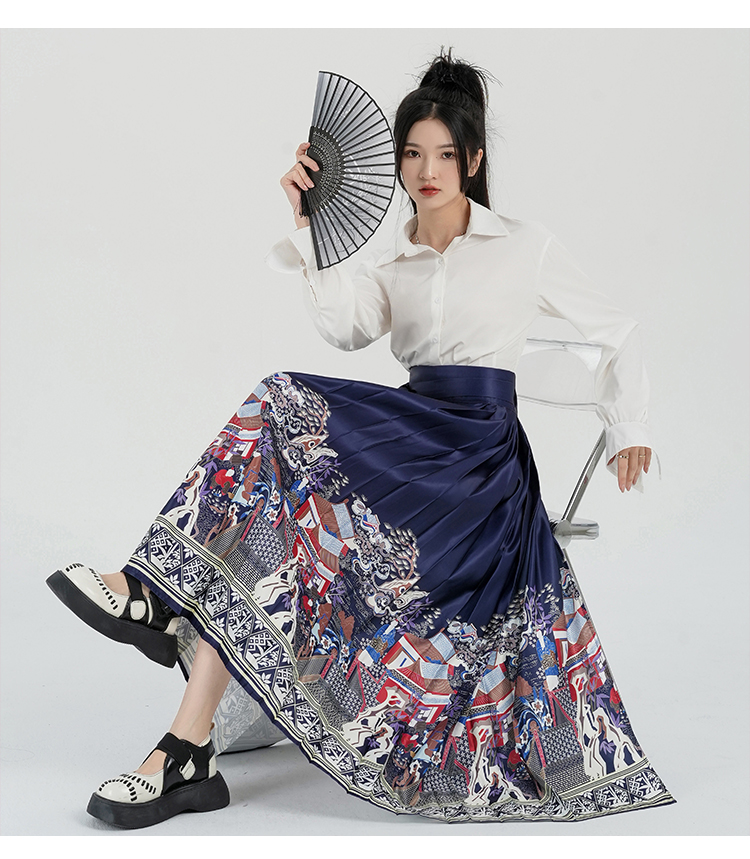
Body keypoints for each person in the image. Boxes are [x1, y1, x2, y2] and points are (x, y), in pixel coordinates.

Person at [47, 49, 674, 828]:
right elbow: (345, 329)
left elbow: (619, 331)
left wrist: (628, 426)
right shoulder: (394, 257)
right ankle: (181, 721)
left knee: (282, 418)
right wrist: (308, 222)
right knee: (278, 443)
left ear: (474, 161)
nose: (427, 170)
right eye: (413, 153)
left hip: (478, 469)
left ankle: (162, 635)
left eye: (445, 154)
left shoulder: (524, 244)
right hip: (411, 438)